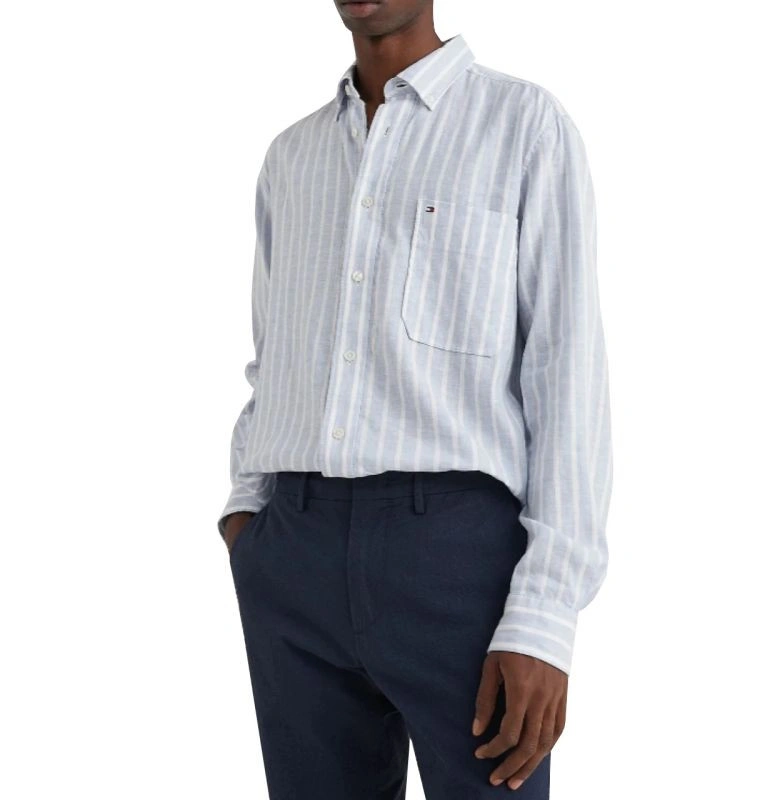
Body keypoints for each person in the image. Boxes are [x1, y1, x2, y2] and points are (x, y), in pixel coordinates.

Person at [218, 1, 613, 797]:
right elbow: (272, 355)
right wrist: (247, 512)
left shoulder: (522, 126)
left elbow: (566, 371)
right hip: (293, 553)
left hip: (456, 560)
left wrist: (545, 616)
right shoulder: (291, 155)